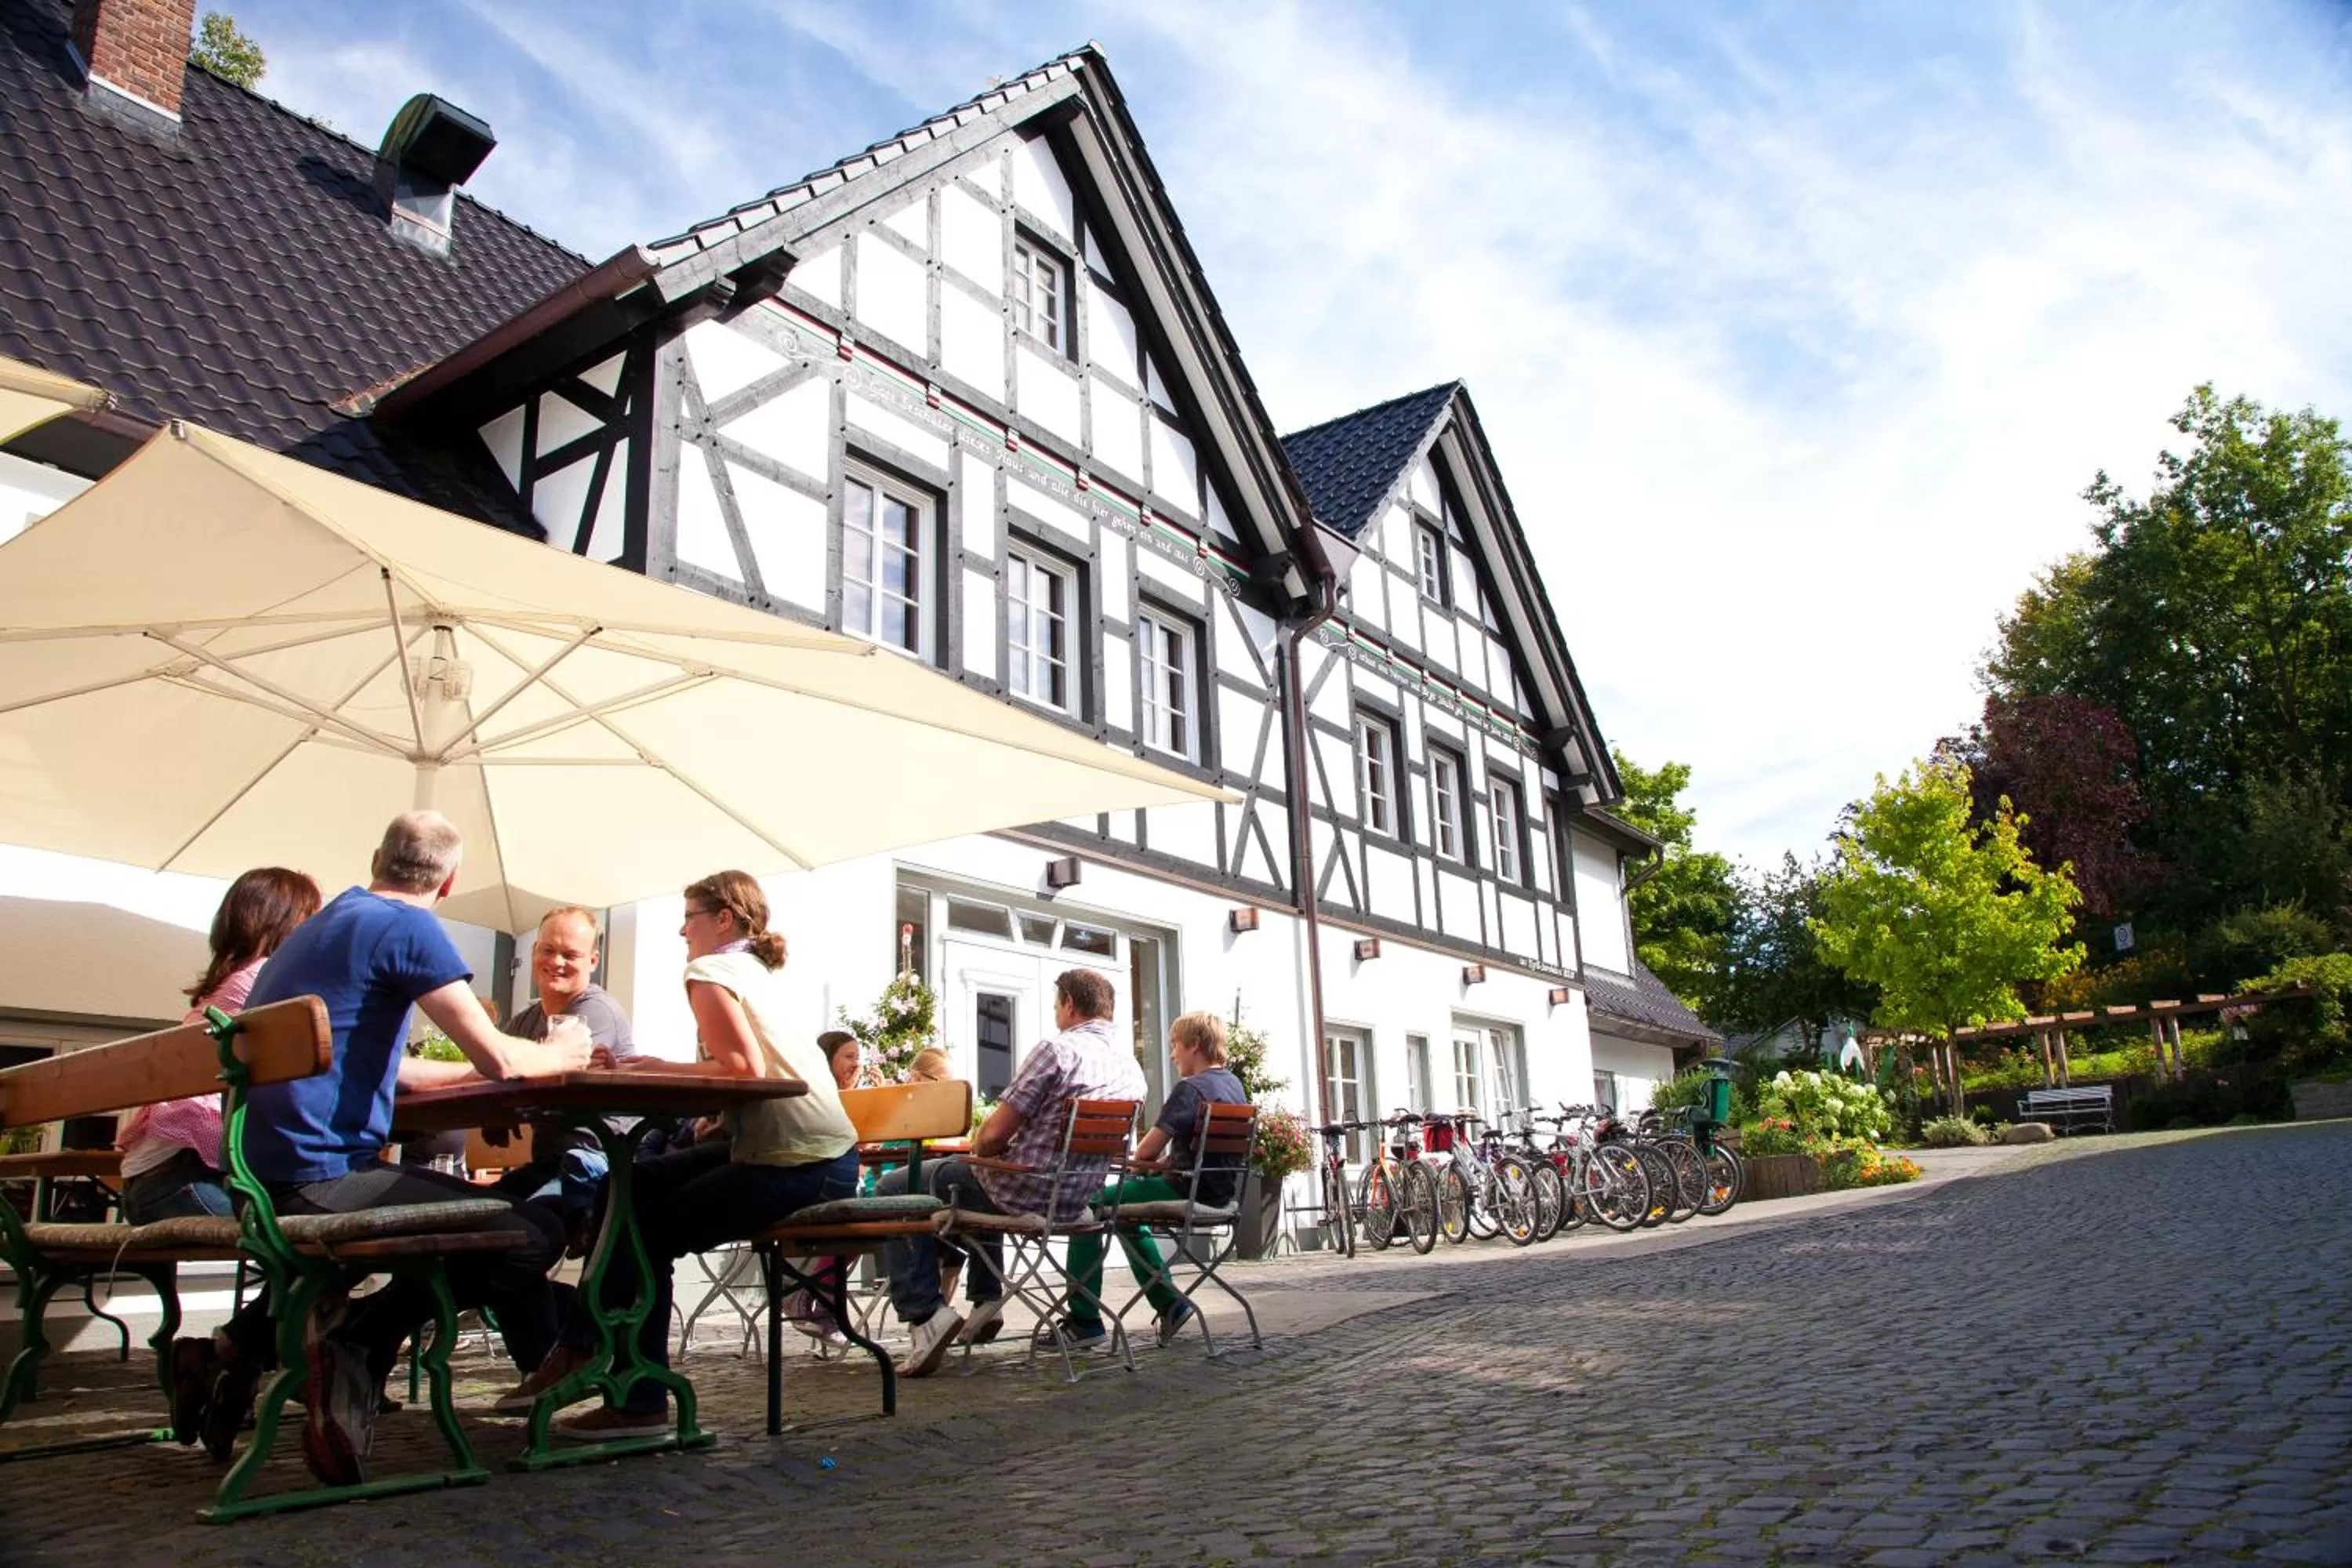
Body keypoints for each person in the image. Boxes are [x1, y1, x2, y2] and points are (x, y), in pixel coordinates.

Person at [190, 811, 594, 1485]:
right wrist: (559, 1052)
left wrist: (472, 1068)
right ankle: (359, 1347)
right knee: (529, 1231)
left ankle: (240, 1349)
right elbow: (501, 1060)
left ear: (376, 857)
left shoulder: (322, 927)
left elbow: (396, 1069)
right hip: (320, 1180)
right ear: (451, 880)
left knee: (462, 1224)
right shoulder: (407, 926)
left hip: (258, 1179)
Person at [533, 871, 860, 1441]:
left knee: (645, 1229)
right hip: (820, 1156)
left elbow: (741, 1069)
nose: (683, 930)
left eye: (690, 916)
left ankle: (637, 1401)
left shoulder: (708, 971)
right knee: (623, 1185)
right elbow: (751, 1071)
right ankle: (578, 1348)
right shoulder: (758, 971)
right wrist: (653, 1068)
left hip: (795, 1162)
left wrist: (656, 1069)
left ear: (724, 919)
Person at [875, 967, 1145, 1377]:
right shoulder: (1132, 1071)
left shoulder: (1058, 1051)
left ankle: (925, 1313)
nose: (1055, 1013)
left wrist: (979, 1148)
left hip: (1022, 1191)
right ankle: (986, 1298)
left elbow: (995, 1134)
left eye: (1057, 1004)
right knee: (970, 1180)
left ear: (1070, 1004)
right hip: (1076, 1201)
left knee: (897, 1185)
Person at [119, 868, 321, 1225]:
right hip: (186, 1182)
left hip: (150, 1184)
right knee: (315, 1224)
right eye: (312, 919)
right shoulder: (265, 980)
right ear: (288, 923)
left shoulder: (228, 984)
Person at [1057, 1011, 1246, 1349]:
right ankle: (1171, 1304)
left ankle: (1084, 1321)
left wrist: (1142, 1163)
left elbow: (1146, 1150)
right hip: (1219, 1194)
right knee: (1127, 1219)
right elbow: (1199, 1152)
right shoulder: (1233, 1086)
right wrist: (1162, 1163)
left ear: (1195, 1046)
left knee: (1089, 1205)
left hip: (1183, 1188)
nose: (1173, 1055)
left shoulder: (1191, 1089)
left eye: (1175, 1046)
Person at [485, 906, 637, 1229]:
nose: (556, 962)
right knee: (476, 1215)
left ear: (593, 962)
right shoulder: (524, 1022)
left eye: (570, 954)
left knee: (525, 1228)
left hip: (603, 1163)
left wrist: (510, 1096)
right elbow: (496, 1068)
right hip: (551, 1161)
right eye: (548, 950)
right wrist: (495, 1112)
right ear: (534, 951)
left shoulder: (594, 1011)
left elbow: (554, 1079)